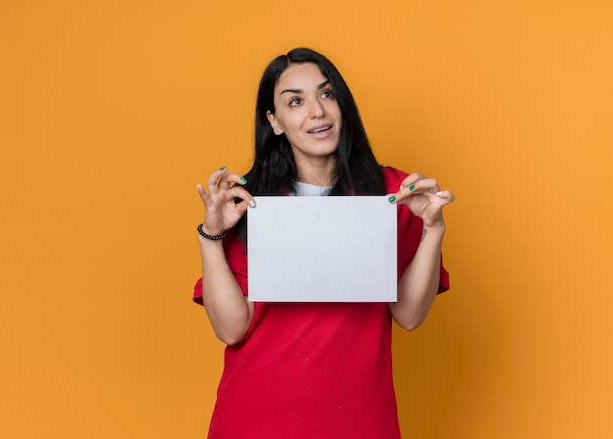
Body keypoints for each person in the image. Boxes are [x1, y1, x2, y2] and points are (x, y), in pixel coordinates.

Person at [193, 48, 455, 439]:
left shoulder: (392, 194)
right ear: (275, 121)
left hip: (360, 418)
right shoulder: (248, 200)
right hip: (255, 417)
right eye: (295, 101)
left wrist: (433, 229)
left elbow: (409, 316)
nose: (316, 111)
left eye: (327, 94)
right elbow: (232, 330)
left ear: (343, 106)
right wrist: (212, 235)